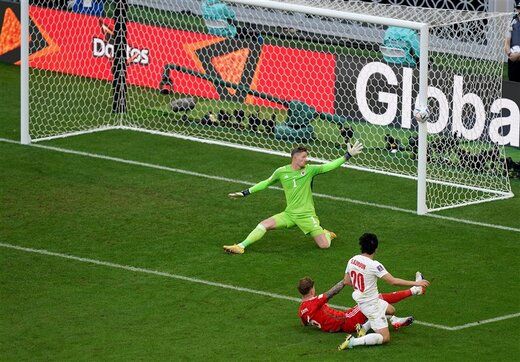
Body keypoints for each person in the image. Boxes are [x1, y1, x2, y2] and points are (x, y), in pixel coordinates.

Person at [223, 142, 363, 254]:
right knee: (263, 224)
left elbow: (329, 166)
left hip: (307, 215)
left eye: (306, 157)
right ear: (294, 157)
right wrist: (245, 192)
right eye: (303, 157)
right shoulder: (281, 172)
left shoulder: (309, 170)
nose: (306, 159)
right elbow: (265, 183)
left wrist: (347, 155)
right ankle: (241, 246)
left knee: (324, 246)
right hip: (289, 214)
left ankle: (326, 234)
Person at [340, 233, 430, 350]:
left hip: (365, 302)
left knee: (391, 310)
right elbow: (393, 281)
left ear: (361, 246)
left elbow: (346, 281)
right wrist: (416, 283)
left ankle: (364, 328)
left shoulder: (352, 260)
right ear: (376, 248)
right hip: (371, 306)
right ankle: (353, 342)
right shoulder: (374, 265)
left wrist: (361, 286)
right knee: (385, 337)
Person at [297, 276, 425, 335]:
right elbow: (331, 293)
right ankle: (415, 290)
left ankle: (394, 320)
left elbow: (305, 323)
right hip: (346, 320)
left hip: (338, 325)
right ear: (312, 290)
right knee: (376, 298)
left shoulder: (302, 309)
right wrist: (344, 281)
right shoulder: (314, 301)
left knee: (374, 306)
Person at [505, 0, 520, 82]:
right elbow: (506, 43)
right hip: (513, 61)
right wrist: (510, 54)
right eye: (518, 8)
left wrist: (518, 55)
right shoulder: (511, 22)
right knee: (513, 87)